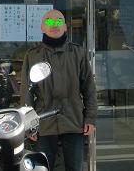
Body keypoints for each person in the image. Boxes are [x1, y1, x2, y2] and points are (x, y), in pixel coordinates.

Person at [20, 9, 97, 171]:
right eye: (49, 21)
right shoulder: (33, 55)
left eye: (58, 21)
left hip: (73, 120)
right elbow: (27, 92)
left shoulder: (78, 53)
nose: (54, 25)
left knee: (75, 167)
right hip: (43, 123)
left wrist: (90, 118)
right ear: (42, 27)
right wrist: (28, 124)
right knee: (42, 167)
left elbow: (89, 88)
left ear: (65, 26)